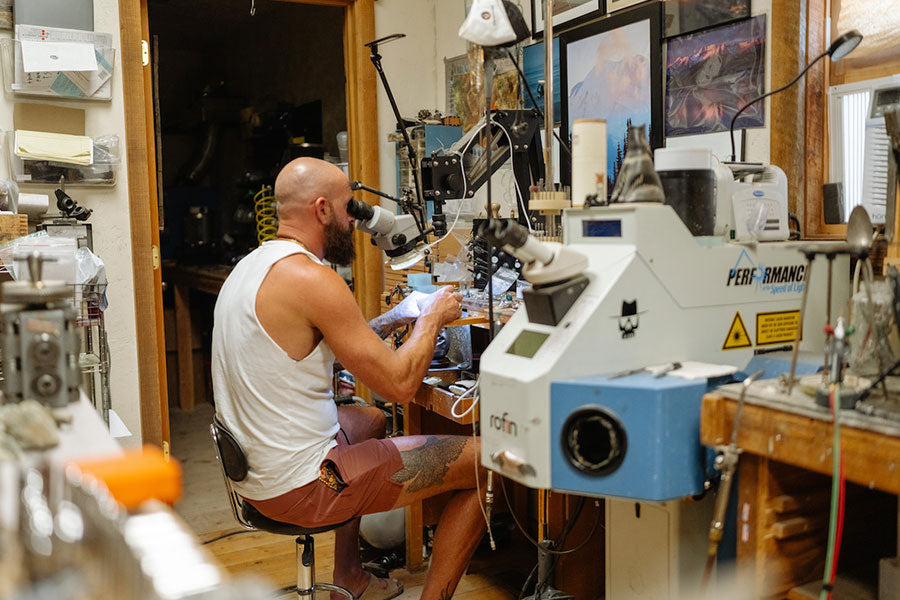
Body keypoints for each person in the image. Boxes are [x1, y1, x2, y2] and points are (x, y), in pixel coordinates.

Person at [212, 157, 489, 600]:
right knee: (485, 460)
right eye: (348, 208)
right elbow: (397, 385)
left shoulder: (254, 267)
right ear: (322, 210)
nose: (353, 220)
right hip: (309, 485)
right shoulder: (314, 279)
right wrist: (432, 319)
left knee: (370, 422)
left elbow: (318, 347)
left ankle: (350, 575)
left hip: (255, 473)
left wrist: (396, 317)